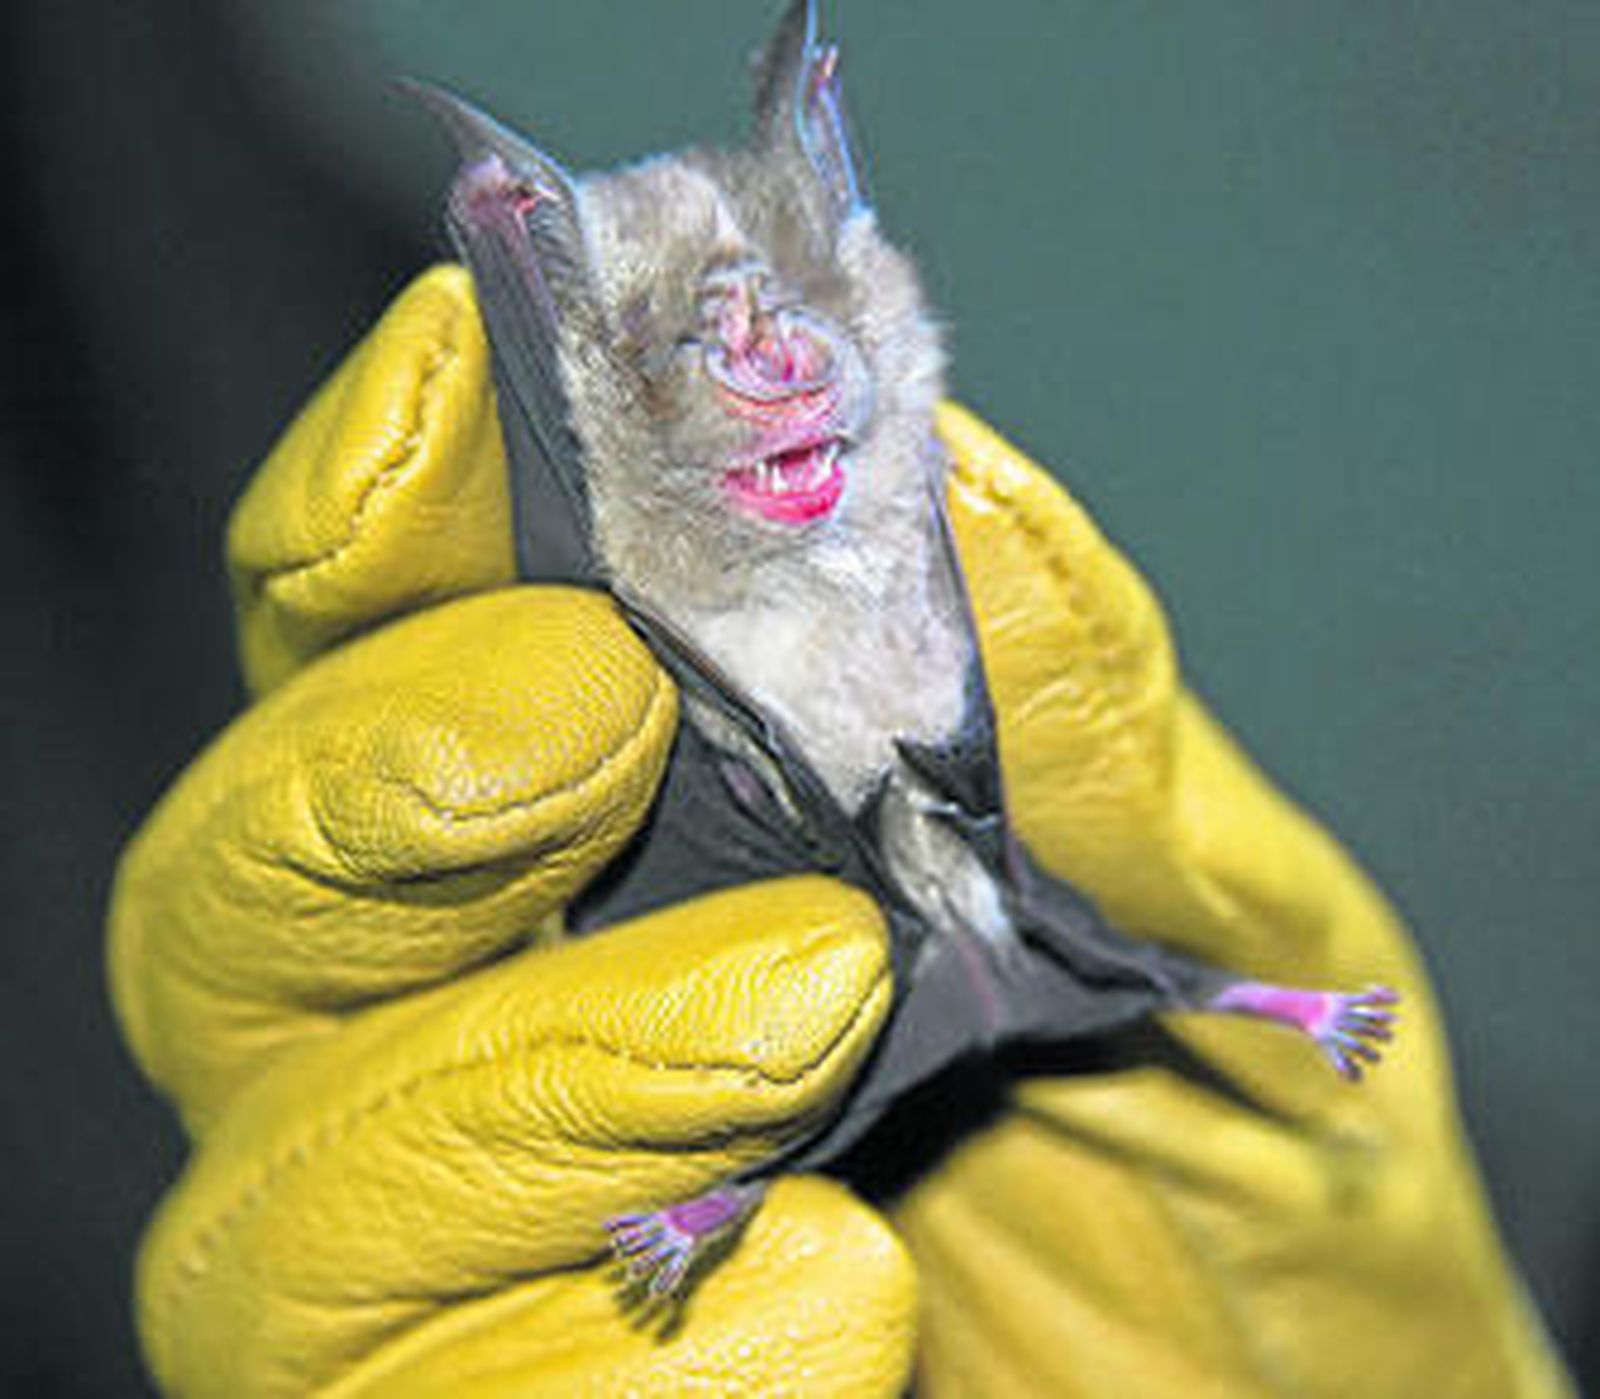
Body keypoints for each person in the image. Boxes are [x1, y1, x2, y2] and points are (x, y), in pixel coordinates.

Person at [108, 266, 1571, 1396]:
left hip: (910, 886)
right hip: (749, 883)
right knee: (776, 1038)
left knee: (1026, 970)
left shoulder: (216, 257)